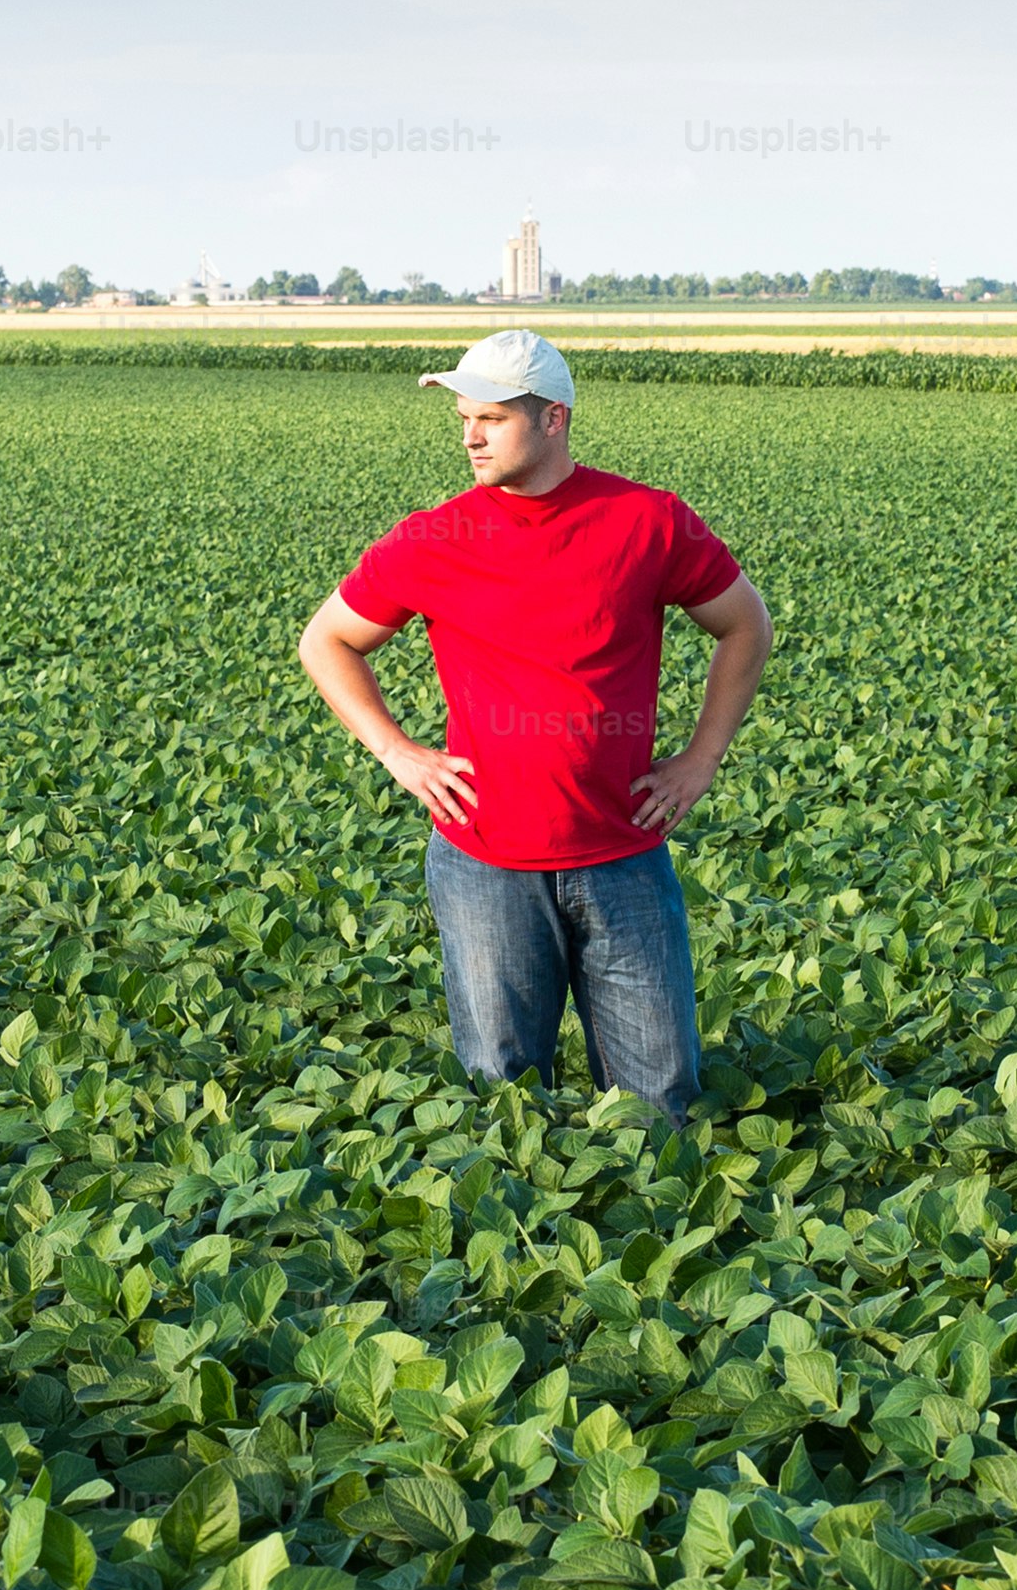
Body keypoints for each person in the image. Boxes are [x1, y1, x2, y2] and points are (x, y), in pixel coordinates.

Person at [296, 330, 771, 1122]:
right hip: (485, 862)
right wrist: (398, 752)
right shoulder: (434, 536)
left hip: (623, 855)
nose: (471, 436)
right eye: (463, 418)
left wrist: (701, 759)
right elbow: (328, 641)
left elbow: (744, 625)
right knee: (503, 1099)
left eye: (491, 418)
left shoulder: (647, 520)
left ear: (554, 418)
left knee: (661, 1100)